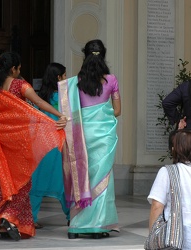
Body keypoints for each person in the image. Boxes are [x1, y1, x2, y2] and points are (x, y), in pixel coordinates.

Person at [0, 51, 67, 241]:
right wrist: (59, 116)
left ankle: (4, 224)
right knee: (21, 183)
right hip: (19, 145)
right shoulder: (20, 85)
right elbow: (39, 103)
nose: (20, 71)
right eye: (19, 68)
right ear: (14, 69)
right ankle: (9, 218)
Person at [59, 39, 121, 239]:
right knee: (101, 179)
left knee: (81, 177)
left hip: (81, 136)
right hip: (103, 136)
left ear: (85, 55)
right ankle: (97, 226)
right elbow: (118, 111)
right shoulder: (111, 80)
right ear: (103, 55)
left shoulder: (74, 82)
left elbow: (68, 110)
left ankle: (77, 226)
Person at [30, 62, 70, 229]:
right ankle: (71, 216)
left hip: (41, 144)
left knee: (38, 180)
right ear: (59, 77)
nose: (66, 78)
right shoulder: (63, 98)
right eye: (65, 75)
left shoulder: (39, 98)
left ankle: (31, 218)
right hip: (58, 144)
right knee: (62, 181)